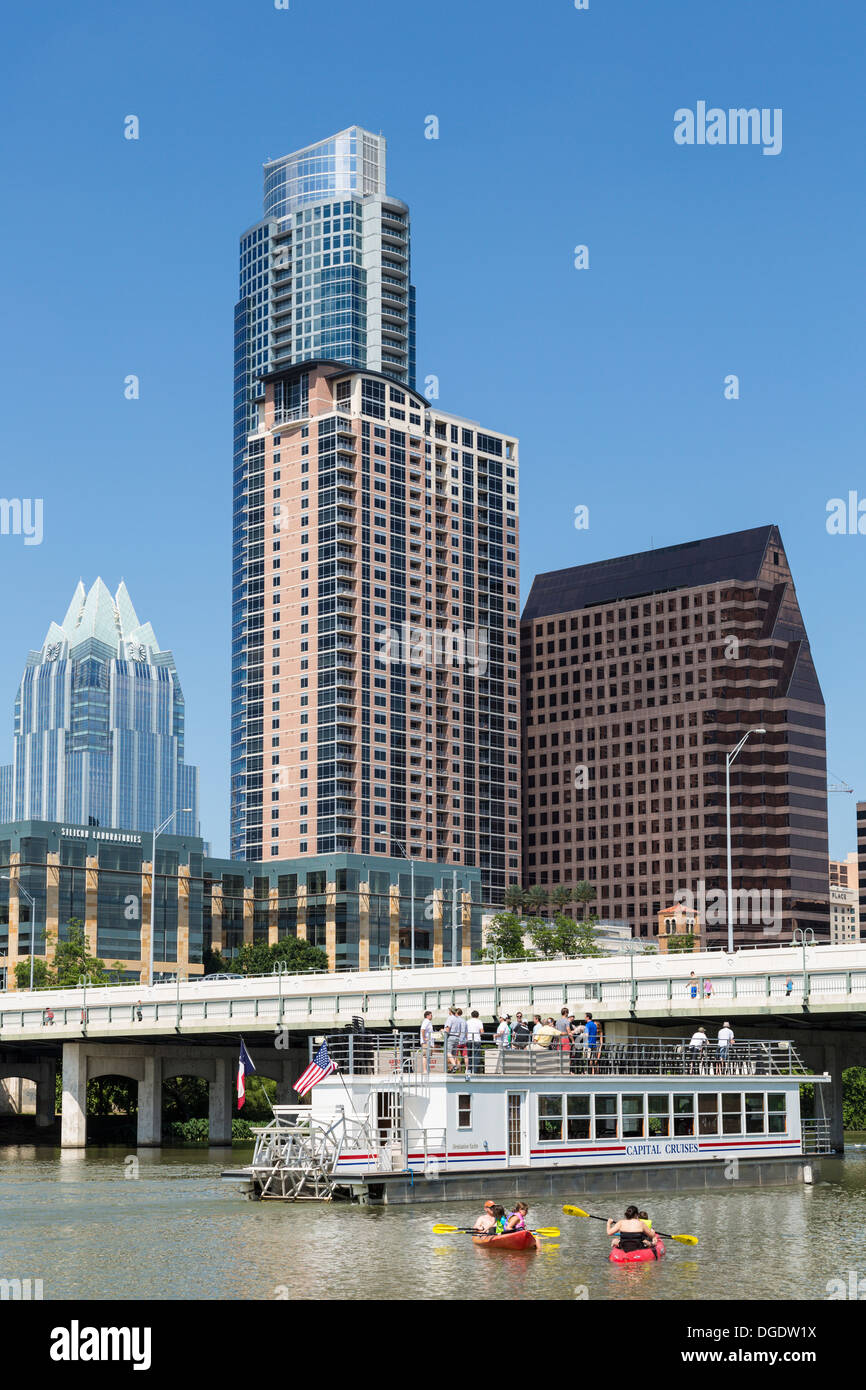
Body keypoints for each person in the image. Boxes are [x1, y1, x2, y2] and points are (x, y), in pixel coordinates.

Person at [466, 1009, 483, 1073]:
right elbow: (482, 1032)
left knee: (469, 1056)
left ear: (471, 1015)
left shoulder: (467, 1021)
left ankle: (469, 1071)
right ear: (478, 1016)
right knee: (476, 1056)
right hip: (476, 1040)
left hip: (469, 1039)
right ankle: (475, 1071)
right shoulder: (479, 1021)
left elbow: (466, 1032)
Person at [444, 1007, 459, 1072]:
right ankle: (454, 1068)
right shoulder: (457, 1019)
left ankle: (454, 1065)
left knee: (448, 1052)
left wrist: (443, 1030)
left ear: (450, 1011)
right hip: (457, 1037)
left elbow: (447, 1028)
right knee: (454, 1053)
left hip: (451, 1036)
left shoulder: (450, 1018)